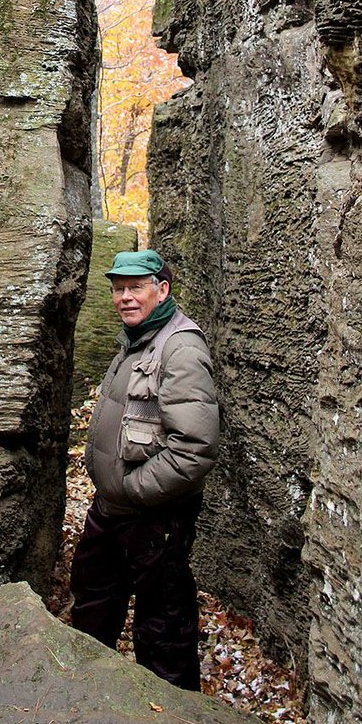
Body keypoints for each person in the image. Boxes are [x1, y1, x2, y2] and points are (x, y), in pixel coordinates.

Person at [69, 249, 219, 690]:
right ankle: (84, 704)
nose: (125, 298)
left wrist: (134, 491)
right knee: (92, 605)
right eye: (118, 289)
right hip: (112, 508)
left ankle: (172, 720)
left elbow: (194, 448)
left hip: (154, 515)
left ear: (162, 290)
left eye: (136, 288)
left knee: (163, 629)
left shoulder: (182, 348)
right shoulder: (135, 338)